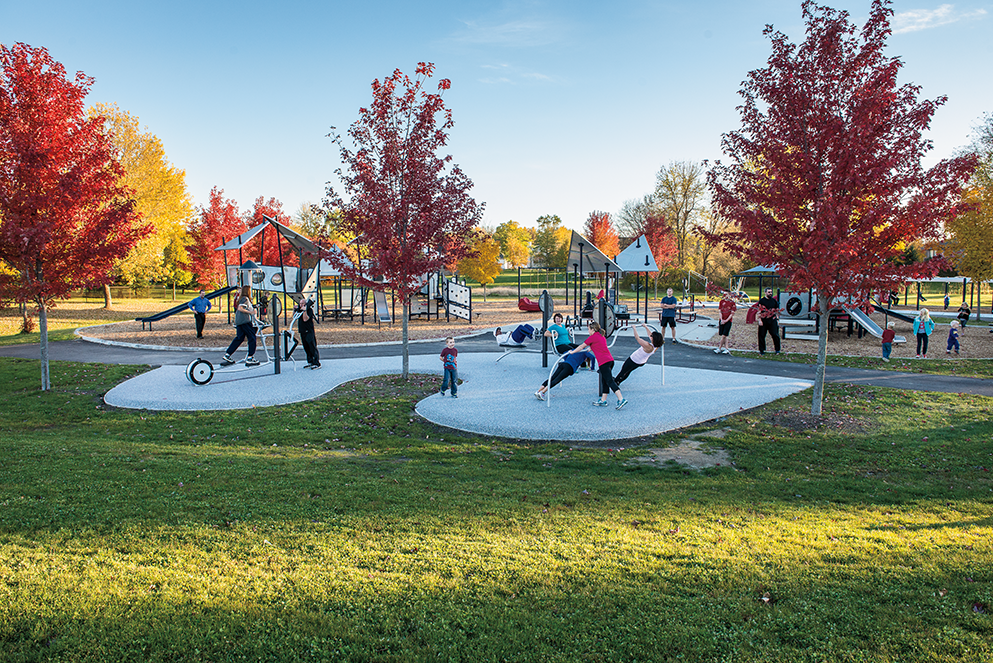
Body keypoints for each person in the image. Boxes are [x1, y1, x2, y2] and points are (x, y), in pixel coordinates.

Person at [570, 321, 626, 409]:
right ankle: (603, 400)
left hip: (603, 362)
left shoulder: (592, 337)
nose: (588, 331)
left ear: (592, 329)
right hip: (610, 360)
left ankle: (621, 399)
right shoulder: (601, 336)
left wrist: (572, 352)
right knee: (605, 381)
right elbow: (599, 346)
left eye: (588, 329)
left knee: (609, 381)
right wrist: (591, 348)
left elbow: (581, 346)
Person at [220, 285, 260, 367]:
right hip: (245, 321)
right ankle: (250, 358)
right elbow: (240, 308)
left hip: (239, 321)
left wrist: (254, 307)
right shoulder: (245, 298)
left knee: (239, 338)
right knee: (252, 338)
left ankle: (227, 355)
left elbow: (244, 307)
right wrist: (251, 313)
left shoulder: (241, 299)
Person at [295, 296, 320, 369]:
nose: (301, 305)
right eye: (300, 303)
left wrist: (304, 311)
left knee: (312, 346)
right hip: (302, 331)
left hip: (309, 331)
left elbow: (305, 319)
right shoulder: (299, 310)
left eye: (302, 303)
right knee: (306, 347)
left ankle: (316, 362)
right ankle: (310, 361)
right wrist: (295, 309)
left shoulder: (309, 310)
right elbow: (295, 317)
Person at [757, 287, 781, 355]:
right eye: (769, 292)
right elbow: (759, 311)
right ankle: (762, 350)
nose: (770, 293)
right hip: (764, 320)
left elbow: (776, 311)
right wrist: (760, 320)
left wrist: (777, 319)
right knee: (761, 335)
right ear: (765, 292)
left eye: (771, 292)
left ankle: (777, 349)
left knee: (775, 334)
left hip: (772, 320)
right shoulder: (762, 301)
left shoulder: (774, 301)